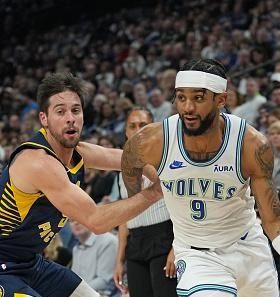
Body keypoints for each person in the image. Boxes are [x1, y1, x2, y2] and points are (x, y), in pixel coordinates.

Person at [121, 59, 280, 297]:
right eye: (181, 97)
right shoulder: (149, 142)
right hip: (198, 255)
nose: (187, 108)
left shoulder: (251, 145)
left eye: (198, 98)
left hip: (249, 248)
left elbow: (275, 222)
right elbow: (130, 177)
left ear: (221, 100)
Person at [0, 73, 163, 297]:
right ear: (44, 119)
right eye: (60, 111)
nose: (70, 118)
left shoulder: (78, 153)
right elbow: (96, 221)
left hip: (29, 263)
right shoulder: (38, 162)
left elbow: (128, 158)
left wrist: (164, 167)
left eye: (76, 110)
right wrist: (156, 192)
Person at [113, 107, 177, 297]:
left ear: (153, 128)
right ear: (126, 131)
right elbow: (124, 216)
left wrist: (177, 247)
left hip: (165, 237)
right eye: (132, 126)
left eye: (143, 125)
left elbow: (182, 208)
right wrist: (119, 259)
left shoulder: (168, 161)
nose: (137, 130)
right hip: (136, 243)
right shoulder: (121, 168)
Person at [70, 219, 118, 295]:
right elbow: (74, 279)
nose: (76, 223)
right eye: (72, 221)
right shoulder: (76, 249)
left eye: (79, 219)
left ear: (90, 220)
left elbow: (104, 281)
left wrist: (73, 292)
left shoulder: (108, 241)